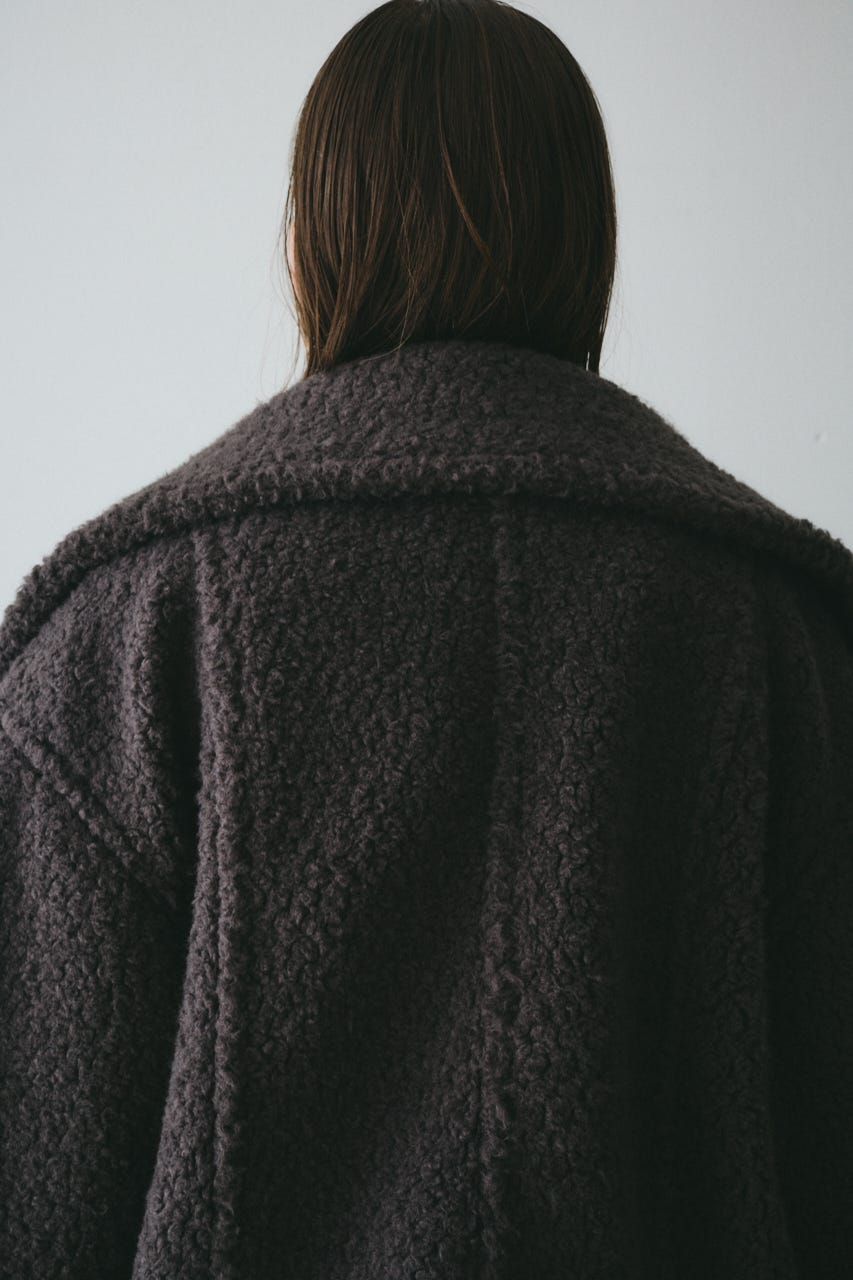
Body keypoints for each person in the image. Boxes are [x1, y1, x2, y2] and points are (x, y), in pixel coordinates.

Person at [0, 2, 850, 1276]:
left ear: (309, 246)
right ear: (590, 244)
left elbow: (38, 1195)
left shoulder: (119, 631)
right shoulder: (786, 635)